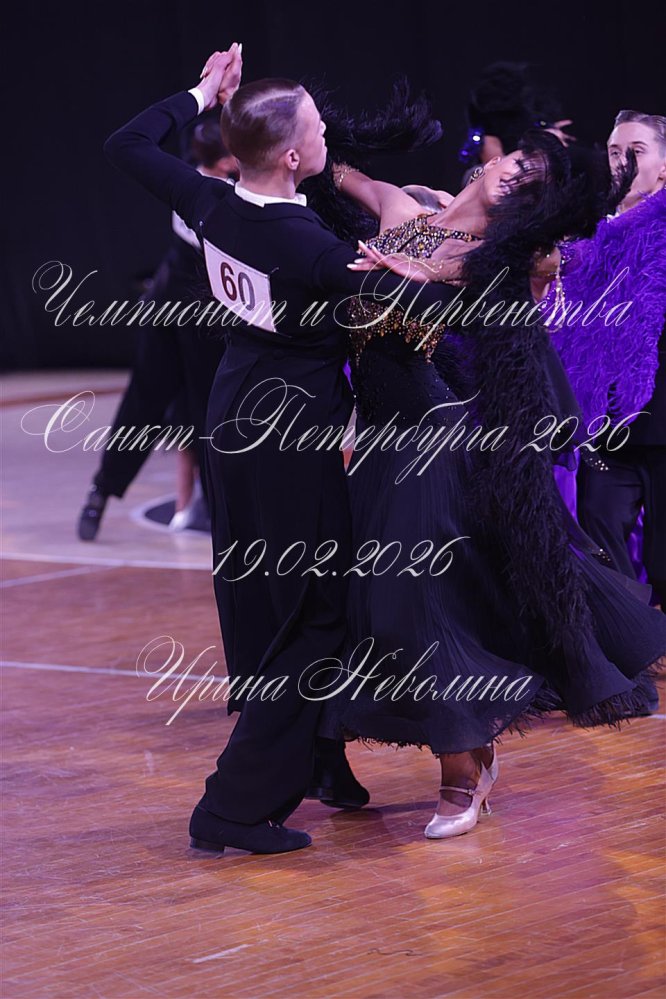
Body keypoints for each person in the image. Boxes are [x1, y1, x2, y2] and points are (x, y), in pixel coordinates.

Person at [104, 45, 460, 854]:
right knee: (315, 615)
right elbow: (408, 298)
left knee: (267, 608)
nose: (328, 131)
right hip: (288, 439)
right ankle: (233, 804)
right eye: (318, 126)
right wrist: (445, 248)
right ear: (294, 155)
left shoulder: (208, 201)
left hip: (233, 415)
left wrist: (202, 91)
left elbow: (125, 143)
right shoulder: (305, 244)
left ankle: (317, 763)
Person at [318, 130, 666, 839]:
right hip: (377, 447)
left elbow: (507, 323)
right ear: (492, 160)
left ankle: (462, 771)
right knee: (380, 609)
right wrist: (255, 117)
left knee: (424, 606)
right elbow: (332, 171)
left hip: (436, 446)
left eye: (535, 183)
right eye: (519, 163)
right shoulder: (403, 210)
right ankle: (457, 746)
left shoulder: (494, 264)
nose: (517, 176)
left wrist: (419, 281)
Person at [78, 118, 238, 541]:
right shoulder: (215, 197)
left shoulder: (197, 174)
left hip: (194, 314)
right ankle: (102, 490)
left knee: (202, 413)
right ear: (225, 161)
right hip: (179, 312)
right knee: (151, 405)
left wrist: (219, 100)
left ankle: (215, 512)